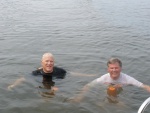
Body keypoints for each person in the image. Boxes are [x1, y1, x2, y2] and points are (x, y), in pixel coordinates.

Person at [73, 58, 150, 102]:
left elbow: (145, 86)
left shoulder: (127, 79)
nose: (114, 70)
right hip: (106, 91)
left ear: (120, 69)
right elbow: (88, 86)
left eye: (116, 68)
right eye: (111, 68)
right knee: (101, 103)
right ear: (108, 69)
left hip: (124, 92)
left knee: (122, 105)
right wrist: (79, 97)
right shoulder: (103, 78)